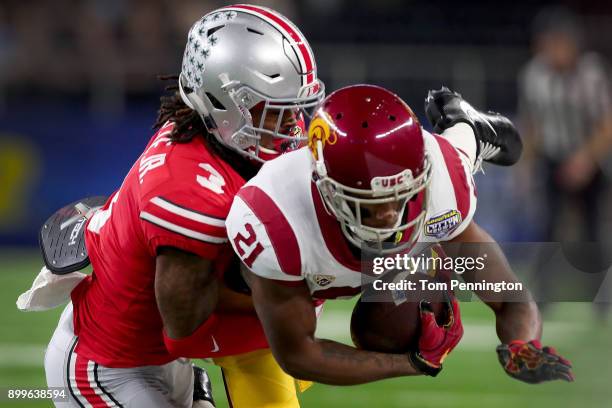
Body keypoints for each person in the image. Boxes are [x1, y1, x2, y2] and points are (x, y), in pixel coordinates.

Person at [37, 4, 324, 407]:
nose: (292, 123)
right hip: (110, 365)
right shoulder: (186, 186)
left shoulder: (217, 137)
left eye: (295, 106)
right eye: (273, 109)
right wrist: (301, 290)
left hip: (164, 356)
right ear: (223, 101)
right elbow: (186, 325)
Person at [225, 84, 574, 385]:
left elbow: (509, 297)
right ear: (327, 189)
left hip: (439, 156)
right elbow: (297, 354)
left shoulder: (439, 180)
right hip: (304, 252)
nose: (392, 215)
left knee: (470, 151)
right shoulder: (274, 216)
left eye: (401, 196)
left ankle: (466, 124)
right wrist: (411, 364)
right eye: (372, 204)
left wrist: (521, 347)